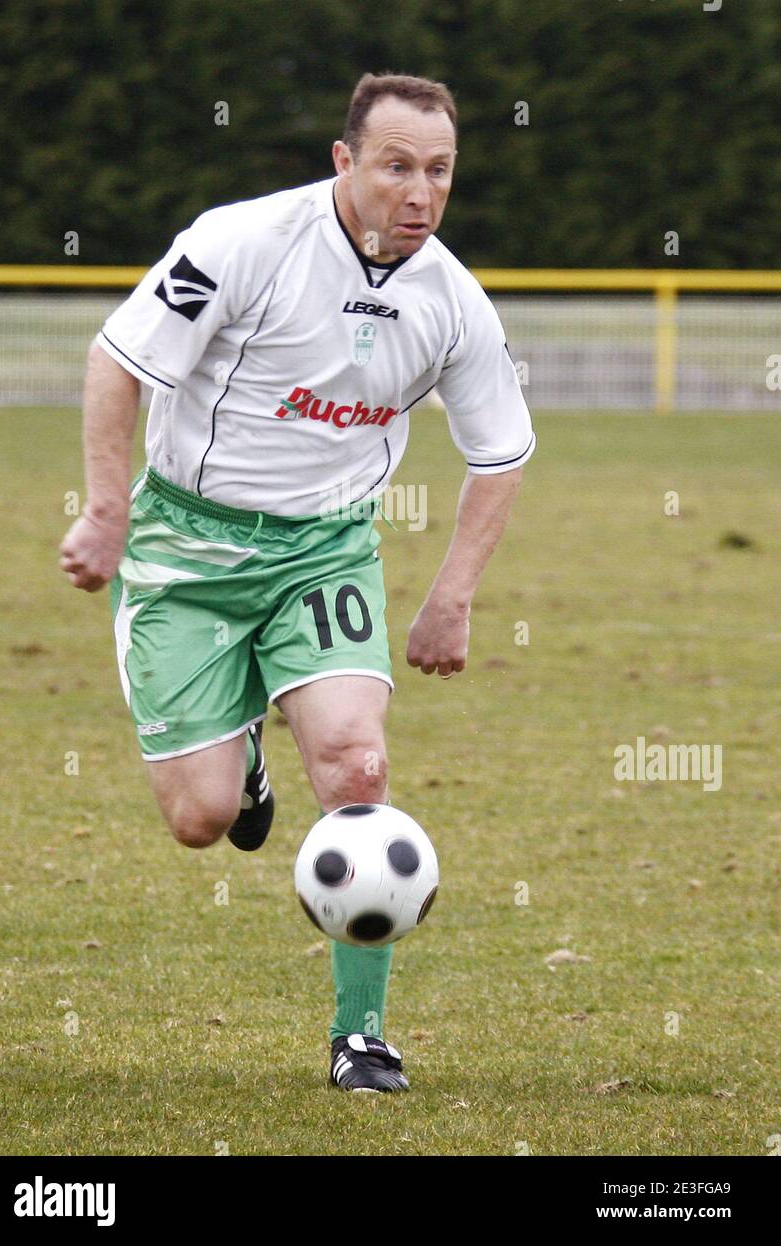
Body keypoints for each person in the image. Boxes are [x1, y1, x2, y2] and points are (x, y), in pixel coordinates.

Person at [59, 72, 535, 1092]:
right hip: (183, 553)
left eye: (439, 171)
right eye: (397, 166)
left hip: (323, 552)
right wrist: (105, 509)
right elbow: (118, 361)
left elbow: (499, 453)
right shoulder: (243, 242)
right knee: (199, 818)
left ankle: (359, 1036)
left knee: (358, 769)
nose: (420, 192)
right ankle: (243, 753)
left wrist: (450, 593)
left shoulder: (451, 300)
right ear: (345, 163)